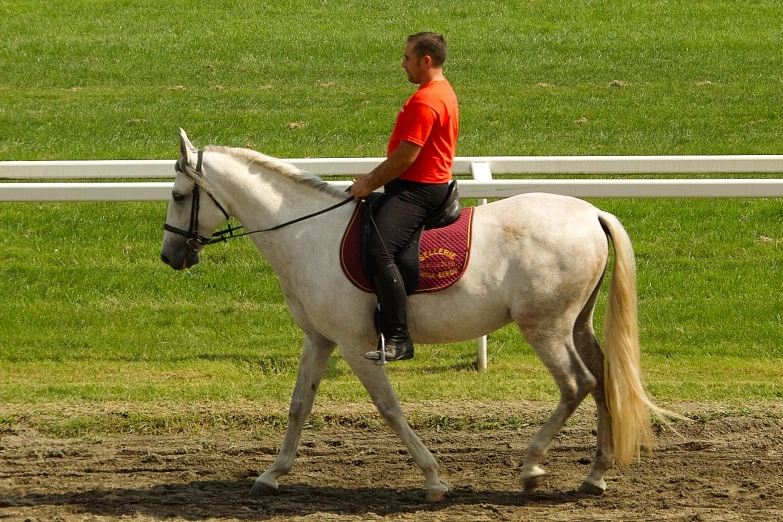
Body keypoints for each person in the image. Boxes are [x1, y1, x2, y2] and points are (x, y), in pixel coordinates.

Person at [349, 32, 459, 362]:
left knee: (377, 250)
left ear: (426, 61)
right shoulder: (442, 90)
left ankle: (398, 336)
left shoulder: (426, 100)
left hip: (418, 191)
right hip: (419, 186)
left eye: (408, 58)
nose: (403, 63)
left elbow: (405, 157)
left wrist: (368, 183)